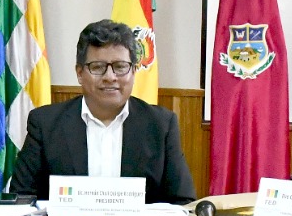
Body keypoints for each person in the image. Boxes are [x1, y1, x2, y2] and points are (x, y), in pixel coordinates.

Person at [10, 20, 195, 204]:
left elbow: (182, 201)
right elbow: (21, 197)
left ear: (133, 72)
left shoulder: (161, 125)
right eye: (98, 67)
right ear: (80, 73)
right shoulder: (45, 124)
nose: (110, 77)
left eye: (120, 67)